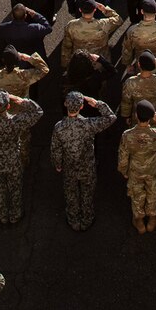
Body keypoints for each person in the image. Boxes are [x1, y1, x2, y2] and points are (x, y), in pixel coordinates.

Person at [51, 91, 117, 229]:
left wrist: (57, 164)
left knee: (71, 193)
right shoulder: (89, 124)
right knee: (87, 193)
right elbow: (111, 117)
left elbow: (55, 148)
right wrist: (97, 103)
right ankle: (87, 219)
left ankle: (73, 219)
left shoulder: (59, 127)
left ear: (65, 105)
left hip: (69, 167)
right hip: (87, 166)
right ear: (81, 107)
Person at [0, 92, 43, 224]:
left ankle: (1, 215)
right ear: (8, 107)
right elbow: (38, 111)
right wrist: (19, 100)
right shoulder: (16, 121)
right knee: (15, 188)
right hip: (13, 159)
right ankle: (16, 215)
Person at [118, 99, 156, 233]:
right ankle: (153, 218)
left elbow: (123, 156)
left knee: (137, 194)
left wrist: (123, 170)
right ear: (151, 118)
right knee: (153, 192)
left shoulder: (127, 135)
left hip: (135, 169)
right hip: (153, 169)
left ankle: (139, 220)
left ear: (136, 116)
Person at [61, 0, 124, 75]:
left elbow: (67, 45)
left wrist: (66, 64)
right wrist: (104, 9)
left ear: (80, 10)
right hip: (100, 61)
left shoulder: (71, 25)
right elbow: (119, 20)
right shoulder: (104, 24)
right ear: (95, 9)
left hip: (80, 60)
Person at [119, 51, 156, 125]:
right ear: (154, 65)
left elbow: (126, 101)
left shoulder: (130, 82)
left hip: (139, 116)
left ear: (139, 65)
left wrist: (126, 116)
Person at [0, 46, 51, 110]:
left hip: (2, 111)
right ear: (18, 60)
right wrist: (28, 58)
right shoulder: (24, 75)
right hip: (20, 112)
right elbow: (44, 70)